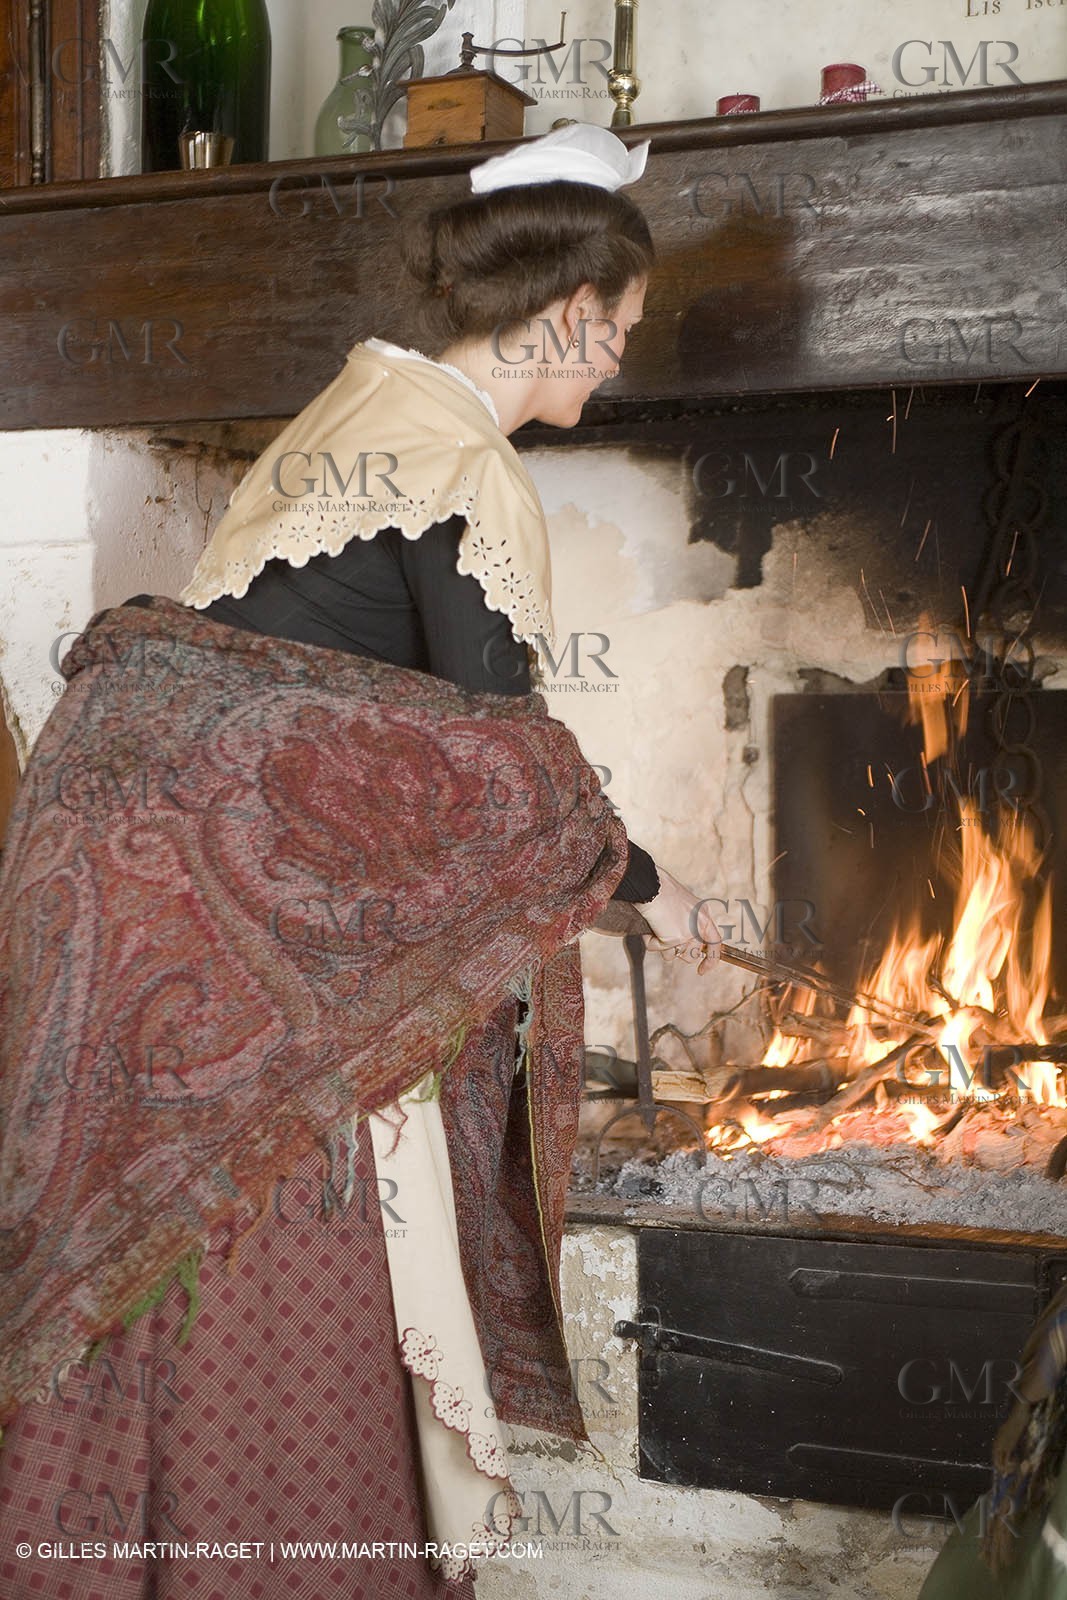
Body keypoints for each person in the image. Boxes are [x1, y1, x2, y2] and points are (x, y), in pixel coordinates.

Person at [0, 123, 721, 1599]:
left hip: (130, 908)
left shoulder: (348, 418)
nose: (619, 365)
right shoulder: (463, 467)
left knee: (150, 1257)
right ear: (567, 311)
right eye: (622, 333)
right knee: (282, 1244)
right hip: (238, 956)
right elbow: (507, 776)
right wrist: (655, 894)